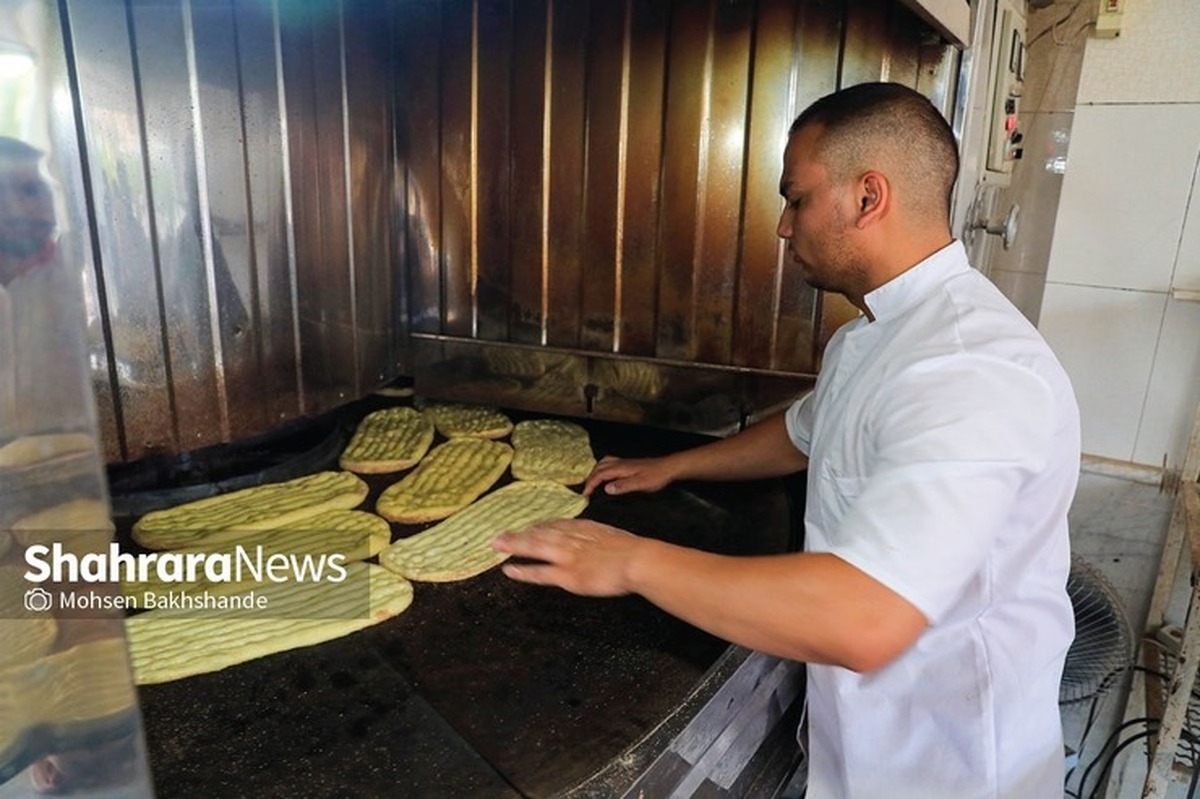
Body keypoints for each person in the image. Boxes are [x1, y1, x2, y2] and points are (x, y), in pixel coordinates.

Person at [493, 82, 1080, 799]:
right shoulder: (875, 333)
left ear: (869, 197)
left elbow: (865, 616)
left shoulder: (969, 368)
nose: (782, 226)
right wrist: (672, 466)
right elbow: (806, 435)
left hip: (947, 765)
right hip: (860, 746)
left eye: (796, 198)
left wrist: (631, 561)